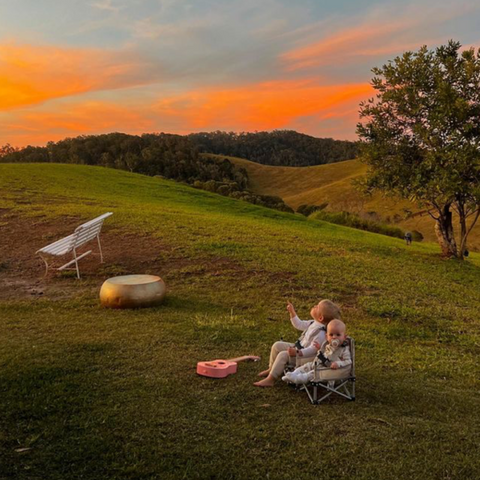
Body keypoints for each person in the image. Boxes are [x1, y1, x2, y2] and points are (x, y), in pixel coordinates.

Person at [253, 299, 341, 388]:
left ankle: (270, 379)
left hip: (304, 357)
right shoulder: (313, 323)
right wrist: (292, 312)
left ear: (321, 317)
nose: (314, 306)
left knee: (283, 355)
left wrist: (297, 352)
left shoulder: (321, 333)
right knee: (277, 345)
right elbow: (299, 324)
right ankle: (271, 368)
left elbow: (312, 350)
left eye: (317, 307)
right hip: (298, 348)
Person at [282, 319, 351, 385]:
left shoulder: (344, 349)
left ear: (344, 337)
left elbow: (348, 361)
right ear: (326, 336)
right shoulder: (327, 345)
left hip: (328, 369)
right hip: (320, 363)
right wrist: (319, 349)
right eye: (331, 335)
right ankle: (294, 374)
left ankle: (299, 379)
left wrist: (338, 364)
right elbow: (325, 354)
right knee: (307, 366)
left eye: (338, 335)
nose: (334, 337)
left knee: (313, 373)